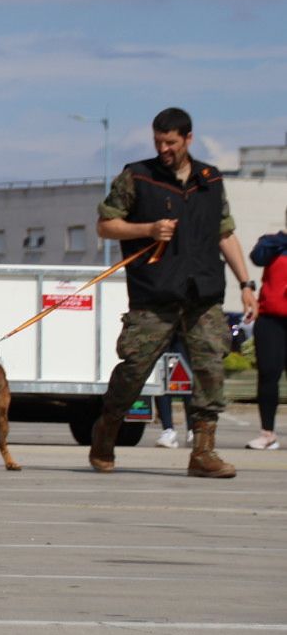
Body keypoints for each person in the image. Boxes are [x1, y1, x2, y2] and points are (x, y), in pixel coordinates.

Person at [89, 107, 259, 478]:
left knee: (210, 368)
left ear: (188, 139)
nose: (164, 148)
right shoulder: (138, 176)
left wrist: (246, 284)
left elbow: (225, 233)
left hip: (203, 294)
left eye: (171, 142)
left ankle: (203, 452)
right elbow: (105, 225)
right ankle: (106, 429)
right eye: (158, 142)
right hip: (155, 292)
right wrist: (147, 229)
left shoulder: (210, 180)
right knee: (135, 369)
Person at [246, 211, 287, 451]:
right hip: (271, 319)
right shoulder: (273, 244)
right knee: (269, 374)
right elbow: (256, 257)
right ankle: (267, 433)